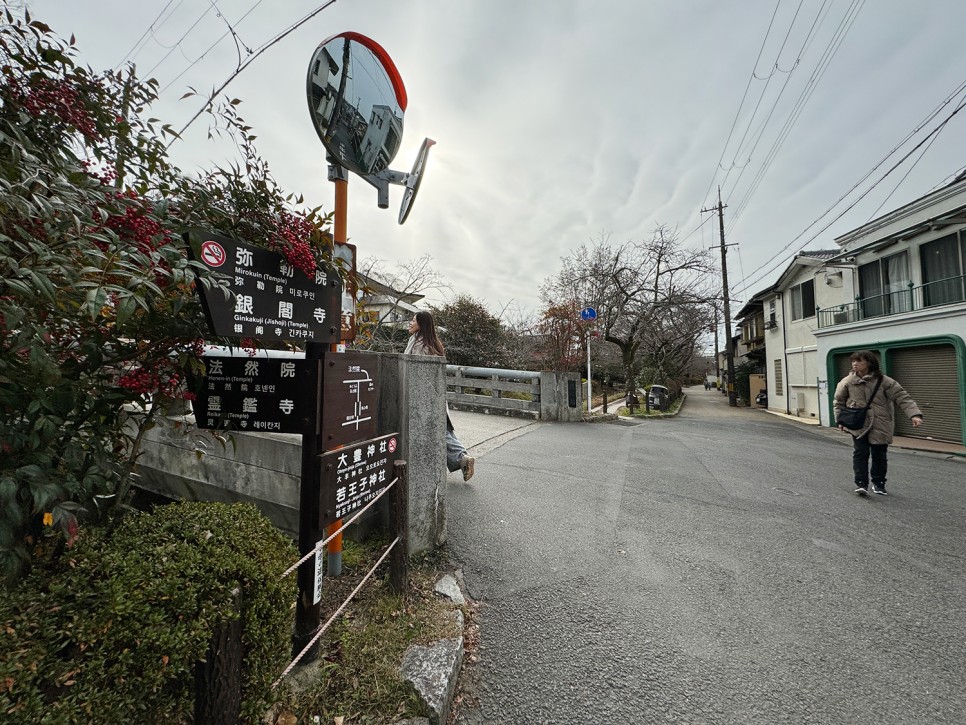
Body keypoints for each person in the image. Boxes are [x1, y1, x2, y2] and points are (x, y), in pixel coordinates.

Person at [833, 350, 923, 497]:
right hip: (858, 423)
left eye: (859, 361)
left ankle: (879, 483)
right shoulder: (847, 381)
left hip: (881, 423)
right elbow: (839, 402)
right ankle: (861, 483)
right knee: (860, 453)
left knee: (879, 455)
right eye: (853, 361)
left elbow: (902, 397)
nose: (854, 364)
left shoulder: (884, 381)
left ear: (868, 363)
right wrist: (840, 420)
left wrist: (914, 414)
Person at [404, 310, 476, 482]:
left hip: (424, 397)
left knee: (437, 431)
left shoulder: (419, 346)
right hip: (435, 395)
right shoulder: (432, 343)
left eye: (413, 320)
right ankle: (462, 458)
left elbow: (417, 373)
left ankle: (460, 458)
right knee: (443, 430)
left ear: (421, 324)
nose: (410, 323)